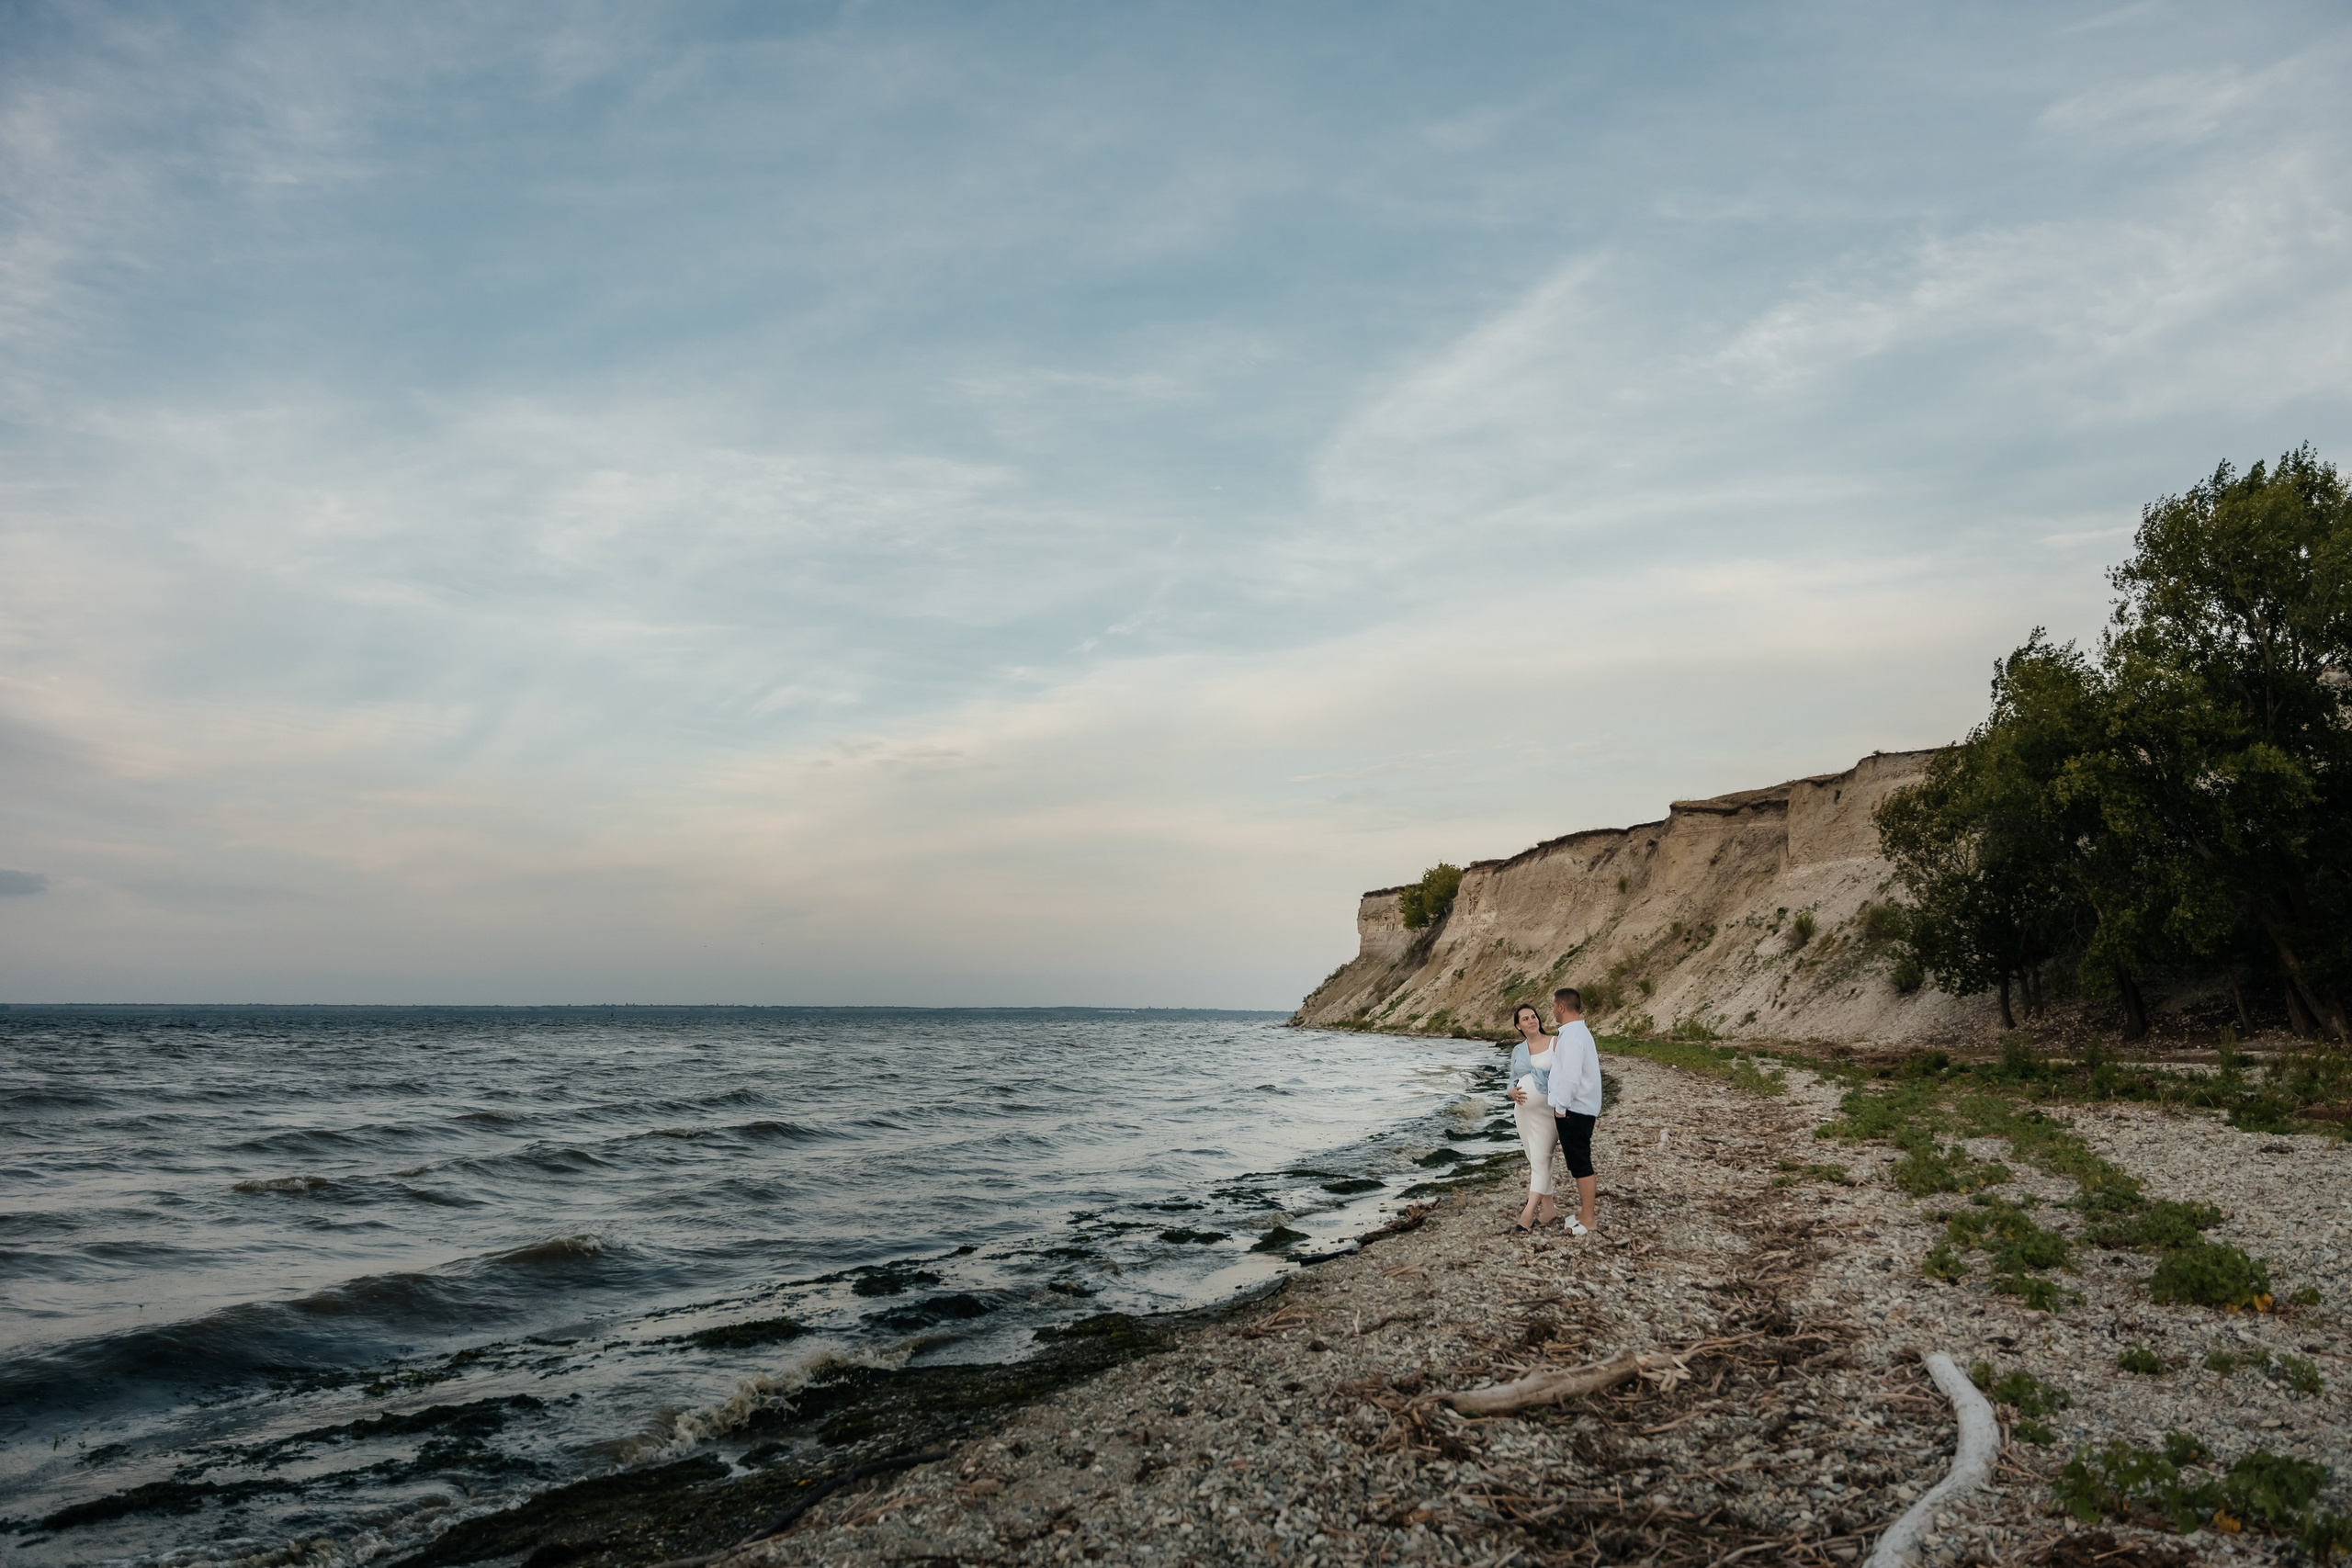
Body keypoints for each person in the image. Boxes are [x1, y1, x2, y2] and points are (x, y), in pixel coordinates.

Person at [1544, 987, 1602, 1236]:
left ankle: (1589, 1219)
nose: (1552, 1011)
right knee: (1579, 1162)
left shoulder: (1573, 1037)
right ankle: (1584, 1213)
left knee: (1580, 1164)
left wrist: (1560, 1107)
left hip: (1575, 1110)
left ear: (1561, 1007)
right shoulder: (1578, 1032)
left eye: (1552, 1006)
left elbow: (1570, 1077)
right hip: (1580, 1108)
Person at [1502, 1002, 1559, 1231]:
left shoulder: (1555, 1042)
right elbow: (1512, 1078)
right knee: (1535, 1158)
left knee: (1542, 1158)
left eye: (1533, 1016)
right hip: (1524, 1113)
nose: (1531, 1021)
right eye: (1525, 1019)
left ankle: (1526, 1215)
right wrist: (1511, 1090)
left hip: (1549, 1111)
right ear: (1518, 1025)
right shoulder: (1518, 1050)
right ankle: (1549, 1211)